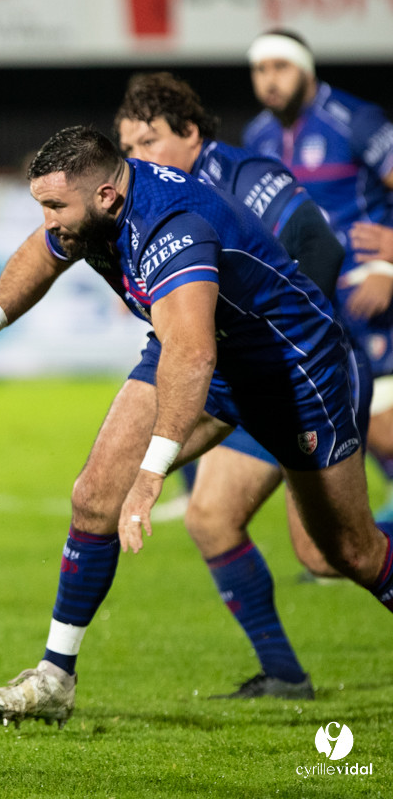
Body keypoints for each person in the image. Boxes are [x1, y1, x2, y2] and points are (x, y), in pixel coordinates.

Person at [0, 125, 393, 729]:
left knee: (348, 552)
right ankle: (54, 677)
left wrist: (151, 475)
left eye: (54, 207)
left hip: (293, 374)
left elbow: (192, 354)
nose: (47, 222)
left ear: (106, 197)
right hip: (205, 354)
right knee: (94, 496)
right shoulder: (87, 216)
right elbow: (40, 256)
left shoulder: (172, 226)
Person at [114, 71, 366, 698]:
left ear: (190, 133)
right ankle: (283, 676)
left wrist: (278, 343)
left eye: (149, 141)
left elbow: (320, 249)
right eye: (128, 148)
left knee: (332, 552)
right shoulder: (155, 208)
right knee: (211, 518)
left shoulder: (241, 174)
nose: (137, 158)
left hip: (299, 372)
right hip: (246, 380)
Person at [242, 29, 393, 521]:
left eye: (280, 67)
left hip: (371, 294)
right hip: (311, 301)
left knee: (378, 423)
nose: (269, 80)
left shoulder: (355, 120)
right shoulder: (258, 137)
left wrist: (389, 264)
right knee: (346, 419)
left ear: (306, 70)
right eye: (260, 70)